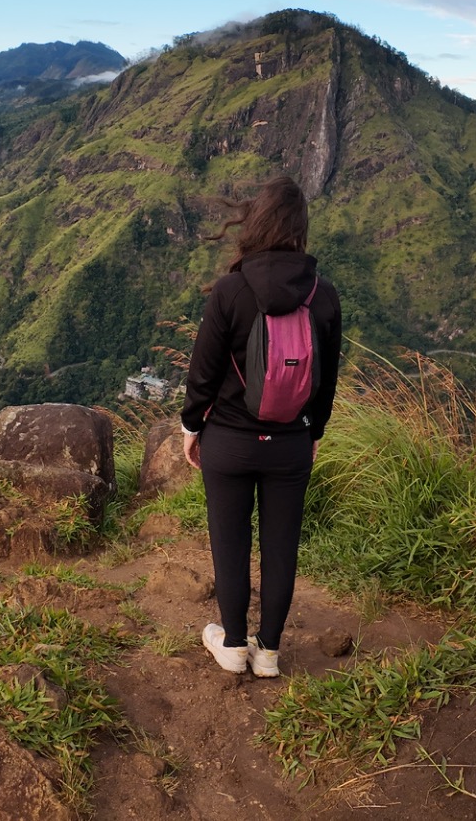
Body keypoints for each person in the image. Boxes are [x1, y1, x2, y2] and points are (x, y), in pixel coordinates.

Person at [178, 176, 342, 678]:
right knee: (281, 544)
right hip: (290, 443)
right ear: (300, 229)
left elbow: (203, 372)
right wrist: (312, 432)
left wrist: (191, 427)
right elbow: (325, 380)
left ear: (254, 224)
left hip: (229, 441)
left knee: (230, 540)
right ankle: (268, 650)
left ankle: (231, 643)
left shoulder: (231, 290)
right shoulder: (323, 296)